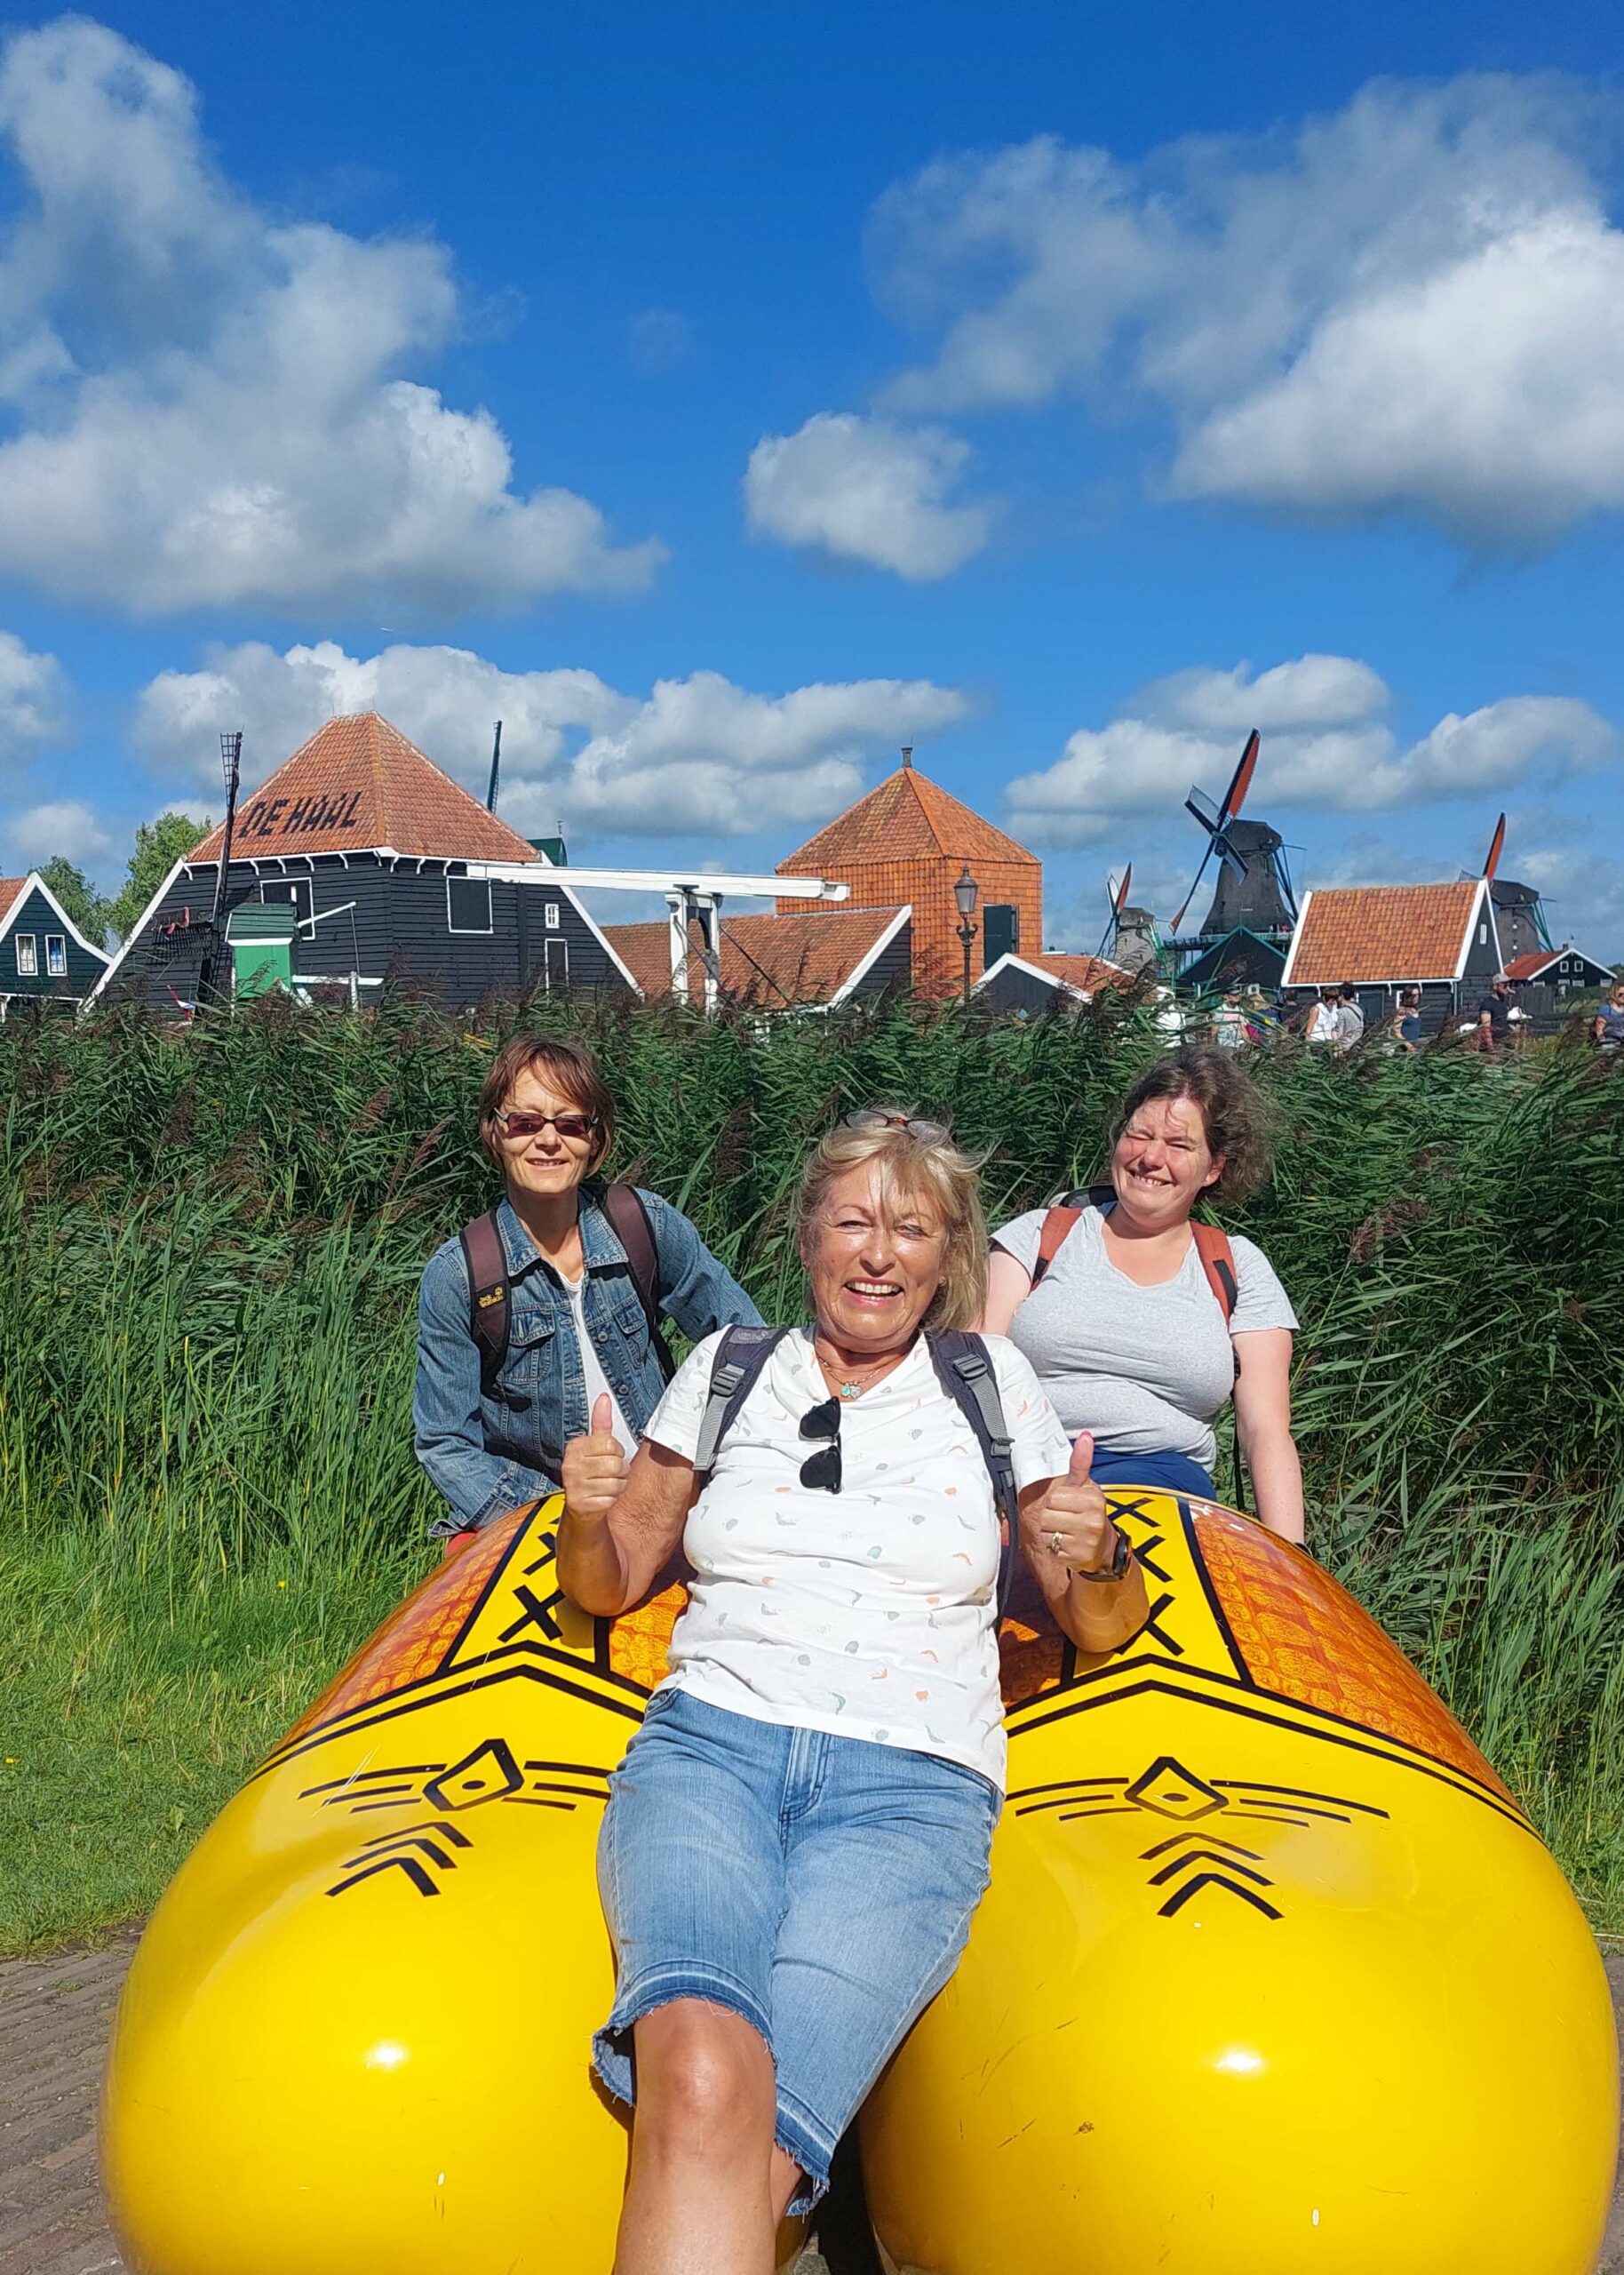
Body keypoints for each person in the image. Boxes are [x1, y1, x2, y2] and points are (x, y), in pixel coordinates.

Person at [557, 1110, 1148, 2274]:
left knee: (764, 2157)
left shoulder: (990, 1385)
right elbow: (612, 1578)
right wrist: (585, 1513)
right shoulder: (727, 1372)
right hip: (714, 1750)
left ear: (947, 1256)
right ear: (807, 1235)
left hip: (912, 1789)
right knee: (704, 2076)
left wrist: (1100, 1553)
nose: (879, 1253)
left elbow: (1100, 1623)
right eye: (854, 1222)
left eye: (911, 1228)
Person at [414, 1035, 760, 1540]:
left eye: (570, 1123)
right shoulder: (460, 1273)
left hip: (666, 1507)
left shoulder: (643, 1224)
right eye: (526, 1123)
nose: (548, 1140)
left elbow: (749, 1347)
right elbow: (446, 1443)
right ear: (495, 1132)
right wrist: (563, 1516)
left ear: (594, 1139)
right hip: (542, 1521)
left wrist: (702, 1463)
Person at [983, 1046, 1306, 1544]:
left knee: (1118, 1581)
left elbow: (1265, 1431)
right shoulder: (1040, 1236)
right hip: (1024, 1474)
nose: (1151, 1157)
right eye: (1139, 1134)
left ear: (1214, 1168)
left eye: (1179, 1144)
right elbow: (974, 1366)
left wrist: (1291, 1561)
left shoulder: (1236, 1267)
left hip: (1162, 1496)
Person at [1475, 974, 1513, 1055]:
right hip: (1493, 1044)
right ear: (1496, 986)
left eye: (1509, 985)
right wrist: (1491, 1048)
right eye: (1505, 986)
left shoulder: (1503, 1002)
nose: (1508, 988)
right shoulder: (1488, 1003)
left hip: (1504, 1043)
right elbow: (1486, 1028)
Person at [1593, 978, 1624, 1055]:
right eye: (1621, 994)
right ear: (1613, 994)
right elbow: (1599, 1030)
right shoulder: (1606, 1009)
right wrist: (1603, 1043)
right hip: (1611, 1042)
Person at [1335, 983, 1365, 1053]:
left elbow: (1340, 1031)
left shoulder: (1342, 1011)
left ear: (1342, 996)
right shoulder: (1360, 1009)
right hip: (1358, 1045)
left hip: (1345, 1046)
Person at [1391, 987, 1422, 1055]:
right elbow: (1397, 1032)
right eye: (1414, 995)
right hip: (1403, 1049)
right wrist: (1409, 1046)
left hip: (1415, 1048)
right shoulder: (1402, 1011)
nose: (1416, 997)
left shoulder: (1416, 1010)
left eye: (1418, 995)